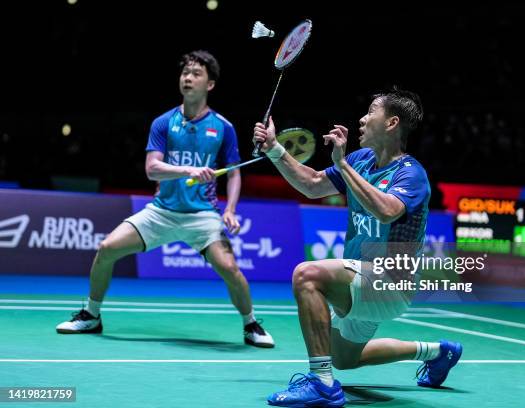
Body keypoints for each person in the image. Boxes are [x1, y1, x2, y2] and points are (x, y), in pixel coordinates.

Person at [253, 88, 461, 406]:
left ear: (392, 123)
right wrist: (275, 149)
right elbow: (311, 185)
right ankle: (437, 351)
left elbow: (388, 210)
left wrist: (343, 166)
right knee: (344, 359)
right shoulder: (361, 160)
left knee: (306, 275)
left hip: (390, 282)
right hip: (362, 280)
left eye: (370, 112)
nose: (362, 119)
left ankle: (322, 385)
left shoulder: (412, 174)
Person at [56, 50, 274, 348]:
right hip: (162, 211)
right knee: (107, 248)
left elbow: (234, 172)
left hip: (202, 215)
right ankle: (92, 315)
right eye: (185, 73)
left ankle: (251, 324)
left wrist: (231, 209)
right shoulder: (163, 122)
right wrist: (188, 169)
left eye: (196, 74)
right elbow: (152, 169)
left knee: (230, 269)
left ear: (209, 84)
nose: (188, 78)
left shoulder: (223, 127)